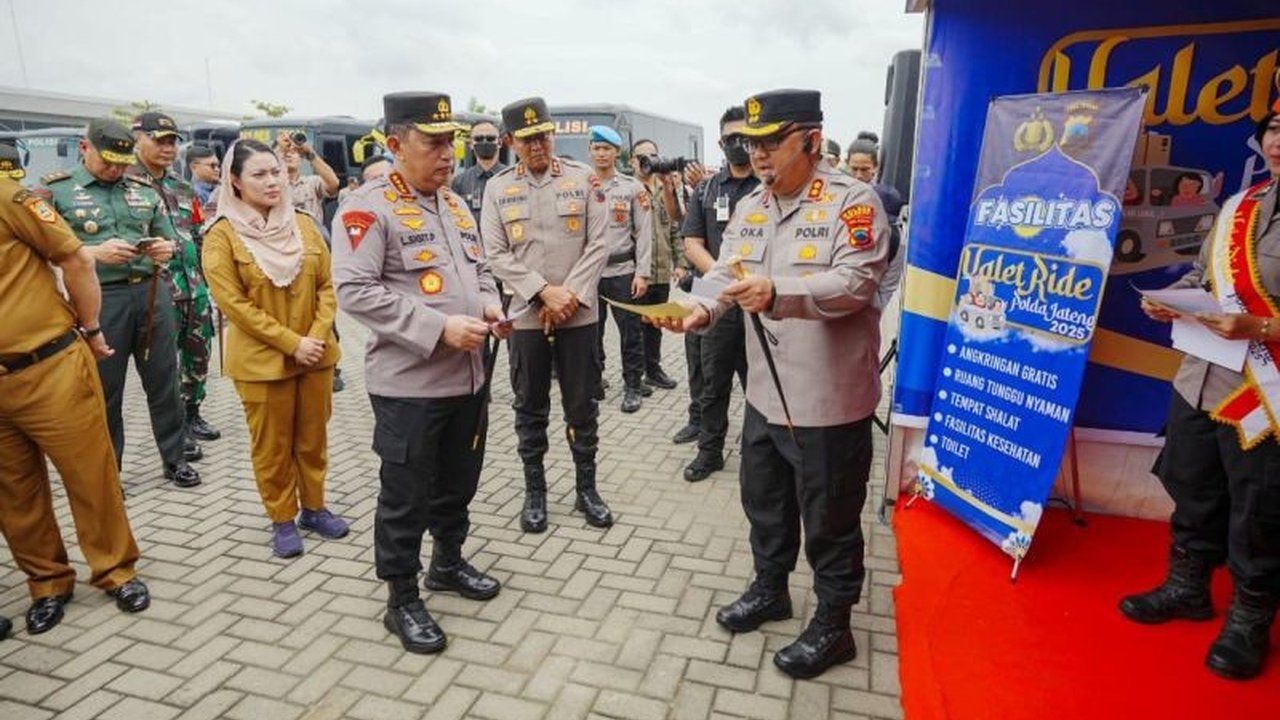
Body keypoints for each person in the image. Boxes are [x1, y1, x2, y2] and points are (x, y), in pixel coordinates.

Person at [650, 89, 889, 679]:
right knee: (766, 504)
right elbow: (727, 276)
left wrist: (782, 294)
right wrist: (697, 312)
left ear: (810, 140)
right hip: (764, 393)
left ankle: (835, 625)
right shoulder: (752, 205)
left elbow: (856, 283)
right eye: (752, 143)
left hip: (826, 401)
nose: (757, 154)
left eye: (771, 141)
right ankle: (771, 589)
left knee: (830, 519)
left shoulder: (853, 203)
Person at [334, 92, 507, 655]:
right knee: (405, 495)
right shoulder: (367, 207)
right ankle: (402, 598)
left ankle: (447, 563)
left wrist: (487, 306)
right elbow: (355, 291)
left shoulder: (455, 204)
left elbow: (479, 270)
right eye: (432, 142)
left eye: (450, 141)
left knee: (459, 481)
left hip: (468, 378)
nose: (446, 153)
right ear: (394, 144)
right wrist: (438, 328)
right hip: (409, 387)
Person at [1121, 103, 1280, 681]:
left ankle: (1249, 618)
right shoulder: (1240, 207)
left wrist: (1263, 328)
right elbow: (1205, 276)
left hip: (1267, 395)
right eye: (1276, 130)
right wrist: (1171, 298)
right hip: (1204, 375)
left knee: (1260, 509)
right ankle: (1188, 587)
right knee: (1192, 483)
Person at [1, 145, 150, 635]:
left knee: (90, 475)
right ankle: (46, 583)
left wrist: (90, 328)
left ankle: (115, 570)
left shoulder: (10, 196)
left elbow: (75, 259)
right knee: (15, 495)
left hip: (49, 364)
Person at [202, 139, 348, 559]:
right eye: (259, 175)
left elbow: (327, 282)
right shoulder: (222, 235)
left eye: (276, 173)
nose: (272, 182)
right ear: (234, 181)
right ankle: (282, 518)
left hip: (316, 355)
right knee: (272, 446)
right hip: (262, 362)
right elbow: (234, 305)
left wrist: (316, 337)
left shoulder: (302, 223)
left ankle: (315, 508)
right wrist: (291, 343)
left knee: (312, 439)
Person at [39, 119, 200, 488]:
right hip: (99, 299)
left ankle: (174, 459)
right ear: (85, 149)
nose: (115, 170)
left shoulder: (143, 190)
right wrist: (93, 253)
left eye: (121, 163)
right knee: (104, 390)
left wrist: (166, 248)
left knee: (165, 381)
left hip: (150, 294)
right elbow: (39, 252)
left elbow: (170, 236)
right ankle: (108, 471)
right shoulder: (55, 192)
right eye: (107, 161)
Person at [482, 96, 613, 533]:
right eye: (527, 139)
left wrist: (570, 294)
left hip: (578, 316)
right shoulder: (498, 188)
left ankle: (586, 489)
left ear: (553, 133)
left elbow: (599, 244)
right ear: (510, 142)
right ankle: (534, 491)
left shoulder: (584, 180)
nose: (537, 145)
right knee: (530, 406)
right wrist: (542, 293)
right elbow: (495, 253)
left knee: (582, 406)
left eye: (543, 135)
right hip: (525, 317)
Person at [676, 106, 759, 481]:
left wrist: (745, 285)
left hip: (762, 301)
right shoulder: (707, 188)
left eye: (745, 137)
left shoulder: (768, 186)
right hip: (716, 298)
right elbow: (692, 242)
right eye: (730, 139)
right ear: (720, 143)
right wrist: (725, 280)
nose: (738, 146)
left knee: (760, 383)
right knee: (714, 383)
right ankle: (710, 452)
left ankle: (761, 454)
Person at [128, 112, 221, 445]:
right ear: (137, 138)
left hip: (193, 288)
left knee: (198, 355)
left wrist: (208, 281)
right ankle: (174, 429)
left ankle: (193, 413)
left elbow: (196, 234)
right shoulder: (124, 184)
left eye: (172, 142)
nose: (168, 148)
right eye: (159, 140)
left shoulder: (181, 187)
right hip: (156, 291)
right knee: (163, 366)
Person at [589, 125, 653, 413]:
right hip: (590, 275)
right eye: (596, 148)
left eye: (607, 149)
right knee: (590, 333)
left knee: (630, 333)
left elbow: (644, 232)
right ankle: (594, 381)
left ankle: (632, 385)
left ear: (617, 152)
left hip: (623, 272)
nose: (601, 153)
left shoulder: (632, 188)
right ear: (590, 151)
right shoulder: (581, 185)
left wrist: (642, 273)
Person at [630, 139, 685, 391]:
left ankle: (654, 370)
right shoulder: (628, 189)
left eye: (652, 155)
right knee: (635, 327)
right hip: (635, 274)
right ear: (632, 161)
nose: (648, 161)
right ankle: (634, 376)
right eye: (642, 156)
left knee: (656, 325)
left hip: (661, 270)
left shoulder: (666, 190)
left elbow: (674, 229)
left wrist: (680, 262)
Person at [846, 132, 906, 309]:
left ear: (875, 168)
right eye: (854, 169)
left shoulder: (885, 199)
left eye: (864, 169)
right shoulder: (831, 200)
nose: (858, 175)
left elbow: (888, 286)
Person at [452, 120, 506, 221]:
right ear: (471, 144)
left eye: (490, 138)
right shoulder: (459, 182)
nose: (484, 142)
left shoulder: (512, 178)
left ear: (499, 142)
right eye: (478, 139)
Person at [277, 133, 340, 221]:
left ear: (301, 159)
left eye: (293, 152)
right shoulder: (273, 185)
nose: (288, 155)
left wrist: (310, 153)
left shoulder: (312, 182)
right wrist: (278, 150)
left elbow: (334, 183)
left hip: (311, 233)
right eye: (285, 153)